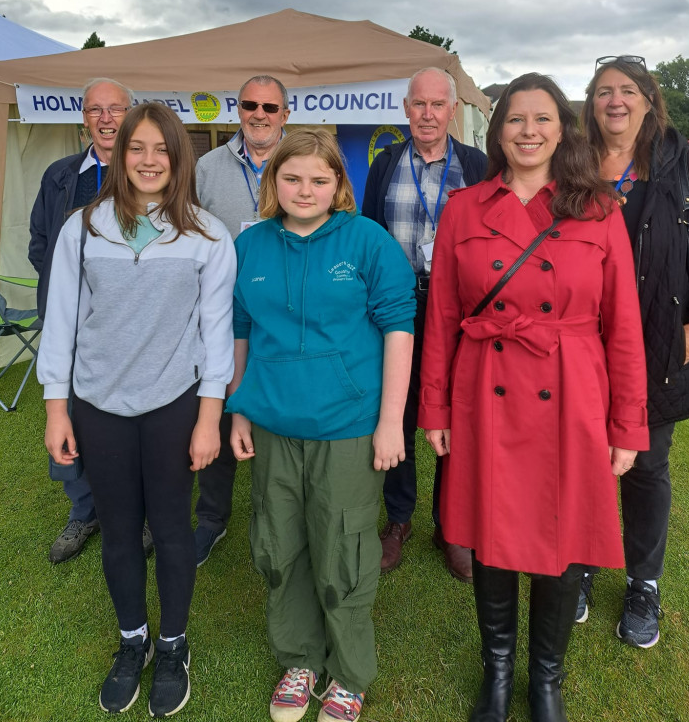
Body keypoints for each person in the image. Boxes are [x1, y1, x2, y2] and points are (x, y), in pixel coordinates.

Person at [419, 73, 648, 722]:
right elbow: (440, 317)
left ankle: (546, 676)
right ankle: (497, 669)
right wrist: (433, 406)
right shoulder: (464, 207)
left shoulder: (597, 207)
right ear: (496, 131)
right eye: (515, 119)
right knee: (489, 531)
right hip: (484, 392)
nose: (528, 131)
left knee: (562, 530)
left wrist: (627, 424)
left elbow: (623, 327)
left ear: (562, 129)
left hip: (571, 390)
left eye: (542, 119)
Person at [39, 103, 236, 717]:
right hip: (98, 405)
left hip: (174, 404)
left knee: (173, 531)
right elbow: (62, 324)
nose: (150, 161)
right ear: (119, 153)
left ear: (179, 159)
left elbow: (216, 333)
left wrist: (209, 418)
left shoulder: (207, 234)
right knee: (120, 532)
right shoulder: (83, 227)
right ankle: (134, 643)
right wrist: (55, 407)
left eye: (163, 150)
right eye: (137, 148)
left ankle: (173, 646)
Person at [227, 129, 415, 722]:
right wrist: (238, 406)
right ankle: (300, 658)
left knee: (345, 550)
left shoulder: (368, 241)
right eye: (291, 178)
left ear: (339, 185)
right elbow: (238, 332)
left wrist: (391, 423)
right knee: (279, 544)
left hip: (348, 425)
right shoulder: (251, 245)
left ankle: (349, 672)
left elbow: (399, 330)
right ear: (271, 181)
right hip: (274, 422)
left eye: (319, 179)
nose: (304, 190)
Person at [576, 55, 689, 647]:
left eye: (627, 90)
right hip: (582, 351)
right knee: (584, 460)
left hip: (660, 349)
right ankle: (582, 562)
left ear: (648, 100)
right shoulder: (576, 166)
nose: (615, 100)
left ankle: (643, 583)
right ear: (591, 103)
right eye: (604, 91)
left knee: (645, 465)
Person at [361, 66, 487, 581]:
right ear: (406, 109)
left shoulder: (478, 165)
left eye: (438, 105)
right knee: (401, 408)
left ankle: (451, 524)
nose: (428, 114)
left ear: (453, 111)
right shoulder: (386, 163)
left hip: (459, 309)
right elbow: (369, 235)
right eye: (419, 104)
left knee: (456, 411)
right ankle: (398, 519)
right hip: (399, 308)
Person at [29, 77, 154, 564]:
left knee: (133, 415)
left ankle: (136, 511)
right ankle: (83, 509)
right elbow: (41, 241)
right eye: (95, 110)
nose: (106, 119)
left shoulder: (147, 174)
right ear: (83, 118)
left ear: (131, 115)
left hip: (130, 325)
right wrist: (69, 295)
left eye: (115, 109)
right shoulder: (59, 175)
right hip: (72, 325)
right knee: (72, 412)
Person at [192, 73, 290, 567]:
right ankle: (211, 518)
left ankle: (280, 518)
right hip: (223, 314)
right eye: (251, 104)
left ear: (285, 115)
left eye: (270, 107)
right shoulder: (207, 168)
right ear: (238, 109)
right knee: (222, 407)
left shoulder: (304, 163)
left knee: (281, 419)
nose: (260, 114)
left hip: (287, 317)